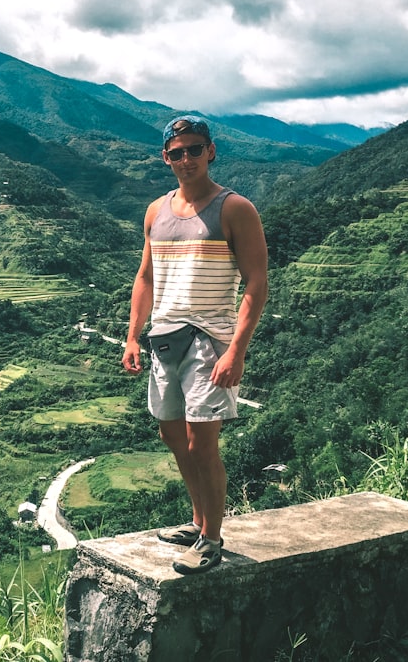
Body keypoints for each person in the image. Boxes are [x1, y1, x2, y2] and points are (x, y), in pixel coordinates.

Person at [121, 115, 268, 574]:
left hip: (210, 339)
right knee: (171, 434)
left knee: (201, 441)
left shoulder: (233, 208)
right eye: (177, 152)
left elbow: (257, 281)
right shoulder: (155, 211)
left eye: (195, 148)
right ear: (165, 157)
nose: (186, 158)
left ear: (211, 151)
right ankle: (198, 519)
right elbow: (145, 276)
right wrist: (132, 334)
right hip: (164, 338)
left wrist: (236, 351)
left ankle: (211, 538)